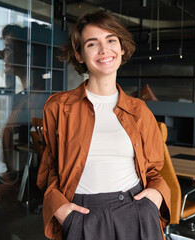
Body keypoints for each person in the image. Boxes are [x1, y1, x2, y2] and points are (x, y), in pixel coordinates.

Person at [37, 10, 171, 240]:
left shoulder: (140, 111)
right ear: (79, 55)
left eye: (111, 40)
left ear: (122, 48)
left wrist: (155, 197)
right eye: (92, 44)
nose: (104, 49)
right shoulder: (58, 107)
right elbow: (50, 169)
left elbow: (153, 170)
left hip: (136, 210)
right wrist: (60, 209)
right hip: (82, 214)